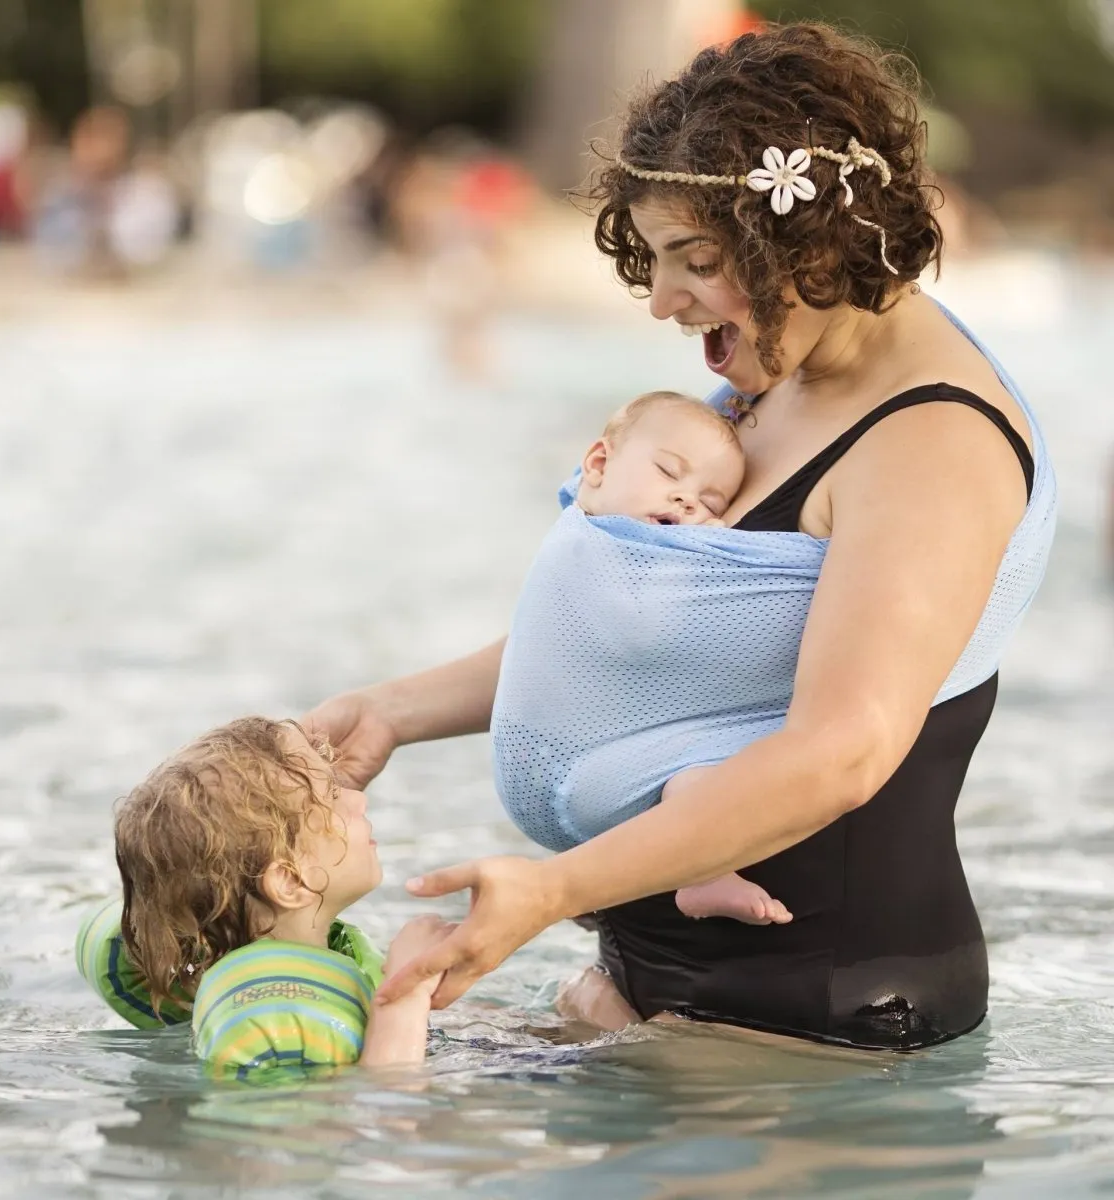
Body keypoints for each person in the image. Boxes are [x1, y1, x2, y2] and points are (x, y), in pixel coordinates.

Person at [302, 23, 1057, 1050]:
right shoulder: (776, 378)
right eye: (656, 260)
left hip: (822, 1021)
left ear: (811, 242)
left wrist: (551, 891)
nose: (659, 301)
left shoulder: (932, 444)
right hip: (672, 999)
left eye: (695, 260)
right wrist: (394, 709)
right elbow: (633, 631)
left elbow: (844, 753)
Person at [76, 716, 453, 1075]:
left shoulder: (301, 973)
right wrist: (409, 988)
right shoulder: (280, 1018)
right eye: (333, 796)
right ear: (290, 881)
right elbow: (389, 1100)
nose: (359, 800)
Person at [568, 387, 791, 925]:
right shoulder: (593, 535)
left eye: (711, 502)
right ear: (599, 462)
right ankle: (704, 872)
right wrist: (713, 551)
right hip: (601, 751)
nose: (688, 500)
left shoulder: (599, 526)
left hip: (603, 747)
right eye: (669, 473)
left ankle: (590, 881)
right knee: (702, 773)